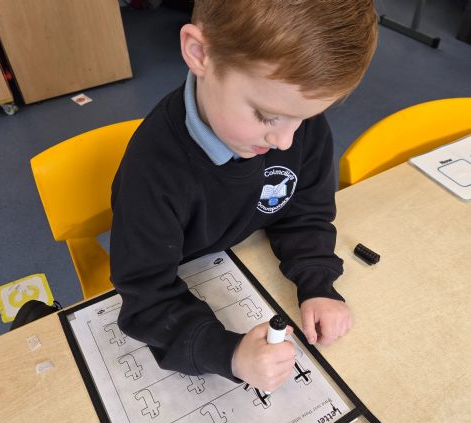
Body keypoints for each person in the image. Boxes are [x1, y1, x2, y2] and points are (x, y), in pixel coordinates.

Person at [110, 0, 378, 393]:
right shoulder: (153, 171)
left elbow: (305, 211)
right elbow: (146, 294)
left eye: (303, 118)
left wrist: (317, 283)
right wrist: (230, 354)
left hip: (238, 260)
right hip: (178, 277)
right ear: (199, 53)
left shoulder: (293, 124)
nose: (285, 141)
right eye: (267, 116)